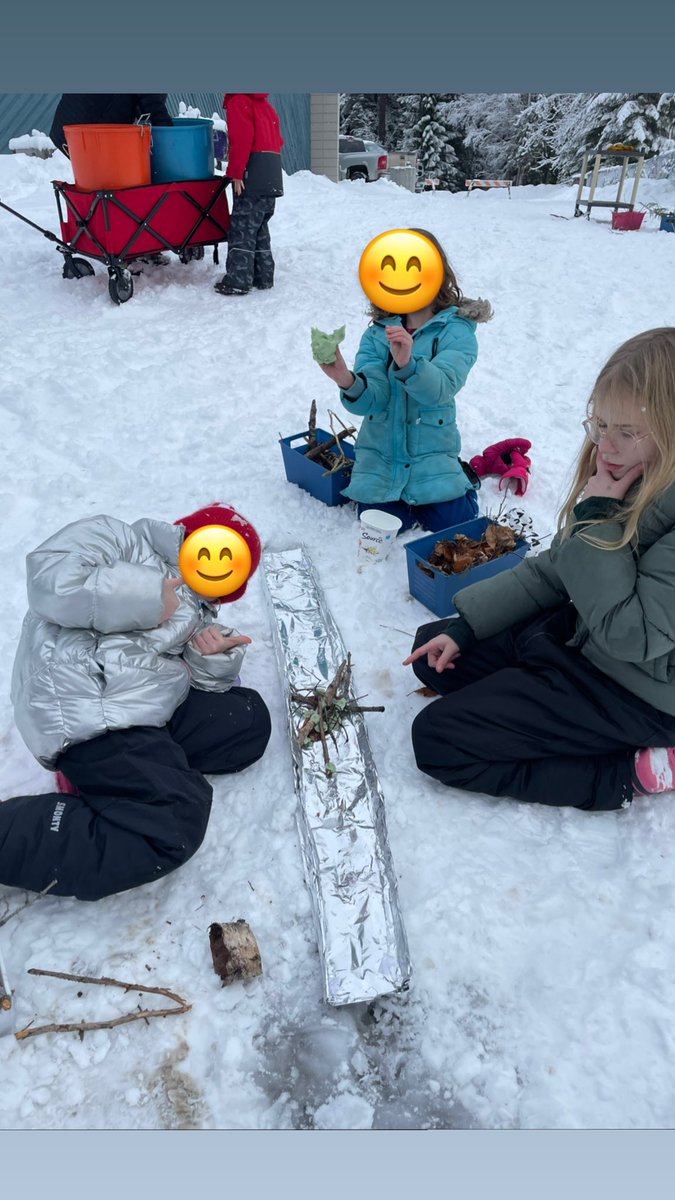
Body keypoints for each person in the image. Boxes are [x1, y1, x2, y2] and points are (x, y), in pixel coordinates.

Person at [405, 327, 675, 812]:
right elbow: (558, 568)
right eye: (601, 424)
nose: (606, 446)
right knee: (433, 651)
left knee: (439, 740)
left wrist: (596, 517)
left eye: (627, 431)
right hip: (584, 634)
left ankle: (627, 772)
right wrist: (468, 628)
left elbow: (630, 635)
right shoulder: (635, 474)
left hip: (636, 689)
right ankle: (528, 685)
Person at [0, 504, 271, 901]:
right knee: (173, 823)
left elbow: (177, 677)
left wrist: (208, 658)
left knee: (249, 721)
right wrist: (145, 597)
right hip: (85, 699)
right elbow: (49, 580)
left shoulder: (199, 611)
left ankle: (122, 775)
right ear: (187, 536)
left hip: (135, 703)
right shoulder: (119, 539)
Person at [318, 229, 492, 531]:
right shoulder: (377, 333)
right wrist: (345, 379)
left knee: (454, 523)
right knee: (380, 524)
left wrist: (409, 365)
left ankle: (459, 480)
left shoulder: (457, 331)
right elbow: (374, 400)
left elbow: (441, 389)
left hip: (432, 456)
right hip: (383, 458)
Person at [214, 93, 284, 297]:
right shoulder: (266, 105)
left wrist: (237, 172)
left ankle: (238, 281)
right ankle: (263, 277)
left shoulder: (239, 102)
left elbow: (242, 139)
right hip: (271, 174)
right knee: (259, 227)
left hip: (251, 173)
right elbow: (279, 141)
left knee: (242, 228)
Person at [49, 93, 172, 158]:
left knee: (96, 184)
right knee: (109, 185)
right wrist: (170, 139)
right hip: (91, 126)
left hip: (73, 126)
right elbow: (153, 104)